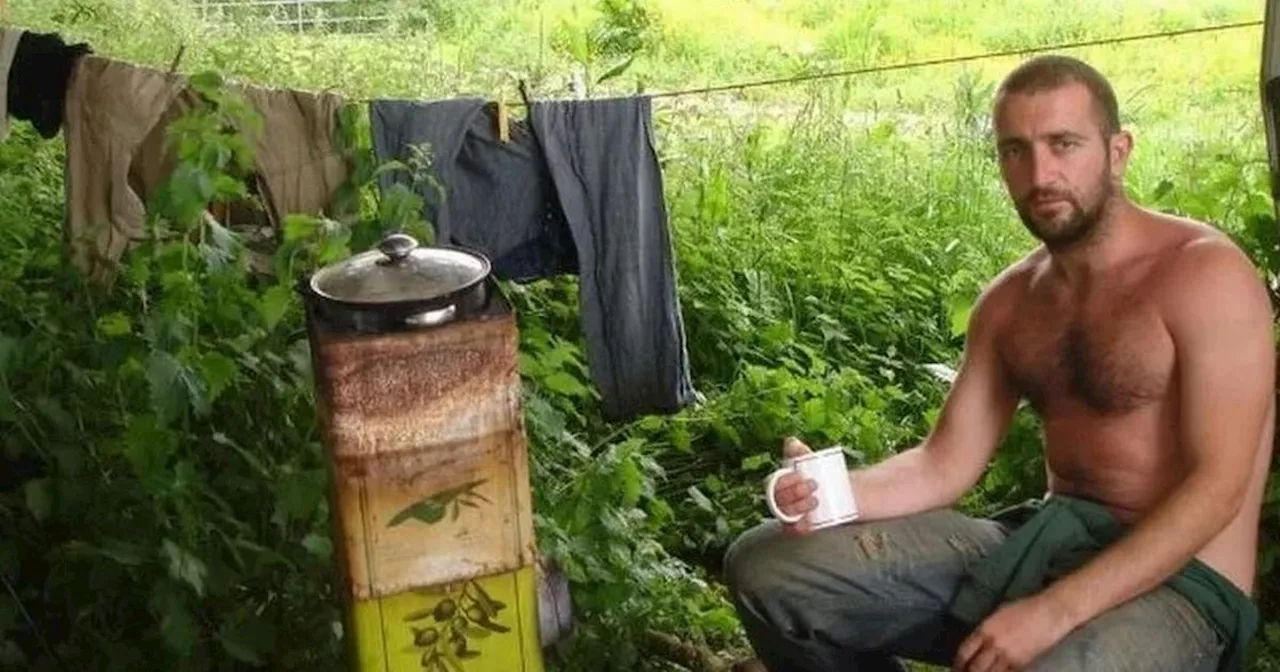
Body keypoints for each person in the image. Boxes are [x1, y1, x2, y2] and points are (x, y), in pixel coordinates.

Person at [723, 54, 1276, 672]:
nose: (1041, 174)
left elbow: (1217, 490)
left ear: (1118, 151)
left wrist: (1054, 611)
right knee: (767, 567)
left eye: (1064, 144)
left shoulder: (1206, 275)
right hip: (1045, 541)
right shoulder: (1012, 302)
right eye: (1016, 150)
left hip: (1185, 582)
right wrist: (836, 493)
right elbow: (942, 463)